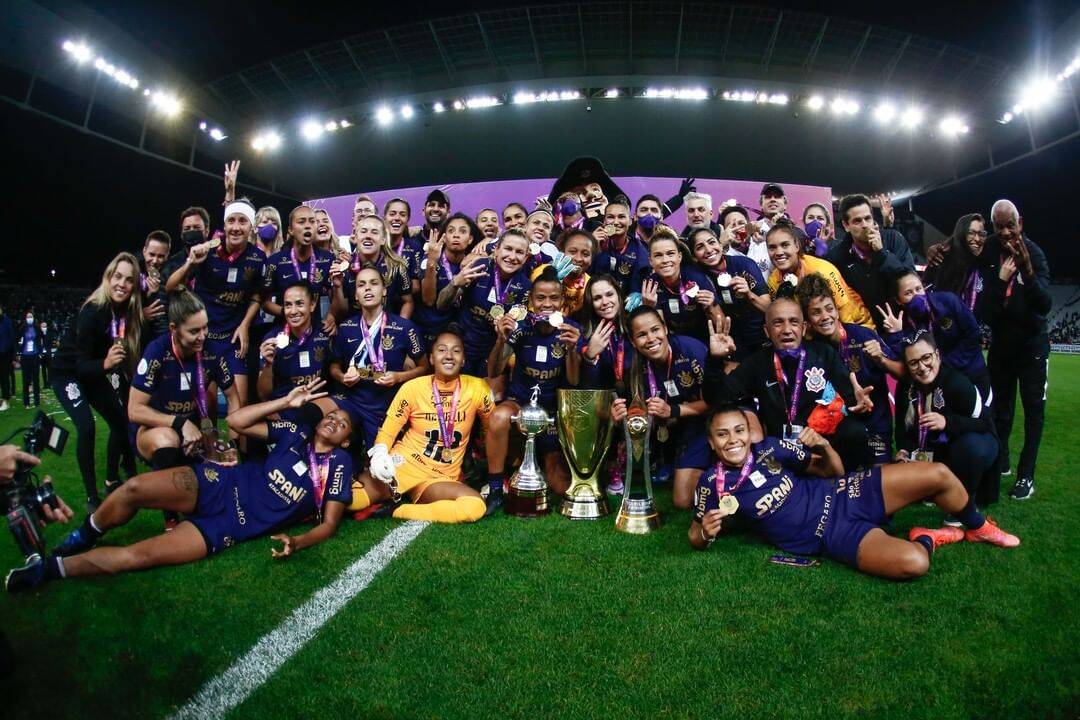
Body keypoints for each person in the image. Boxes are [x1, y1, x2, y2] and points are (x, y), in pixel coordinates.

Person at [6, 380, 354, 592]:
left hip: (230, 526)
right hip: (219, 483)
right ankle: (85, 533)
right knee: (134, 488)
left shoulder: (339, 464)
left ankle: (46, 570)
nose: (334, 420)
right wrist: (284, 403)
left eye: (342, 424)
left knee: (137, 556)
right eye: (331, 415)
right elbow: (235, 420)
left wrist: (299, 541)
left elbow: (330, 524)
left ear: (345, 443)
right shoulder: (295, 434)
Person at [687, 405, 1019, 580]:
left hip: (845, 491)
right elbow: (695, 536)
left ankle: (977, 528)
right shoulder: (710, 486)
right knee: (915, 563)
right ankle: (926, 537)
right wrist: (704, 532)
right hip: (831, 533)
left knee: (939, 474)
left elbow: (832, 471)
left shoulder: (771, 448)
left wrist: (826, 446)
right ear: (713, 442)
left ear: (749, 432)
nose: (733, 440)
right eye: (722, 434)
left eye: (739, 430)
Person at [705, 292, 875, 471]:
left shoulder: (823, 354)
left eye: (793, 322)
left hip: (822, 439)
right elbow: (717, 397)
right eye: (778, 323)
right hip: (783, 448)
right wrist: (714, 360)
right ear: (767, 331)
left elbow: (854, 404)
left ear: (803, 328)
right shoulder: (757, 363)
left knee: (854, 432)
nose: (787, 329)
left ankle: (851, 481)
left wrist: (859, 403)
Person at [360, 331, 492, 524]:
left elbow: (492, 431)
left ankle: (397, 510)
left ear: (463, 359)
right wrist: (380, 453)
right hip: (403, 464)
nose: (448, 355)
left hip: (439, 477)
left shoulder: (478, 388)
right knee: (352, 499)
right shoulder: (413, 387)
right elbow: (389, 429)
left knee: (474, 506)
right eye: (441, 350)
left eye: (456, 351)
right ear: (431, 358)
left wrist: (494, 472)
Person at [50, 253, 143, 511]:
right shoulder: (93, 311)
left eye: (129, 279)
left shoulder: (125, 311)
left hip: (95, 372)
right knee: (87, 427)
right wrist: (106, 364)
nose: (122, 284)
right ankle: (92, 497)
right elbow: (81, 365)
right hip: (69, 373)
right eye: (118, 277)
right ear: (108, 278)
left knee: (120, 420)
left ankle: (119, 477)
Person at [485, 267, 581, 513]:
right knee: (498, 416)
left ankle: (534, 468)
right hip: (520, 403)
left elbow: (573, 380)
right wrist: (500, 340)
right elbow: (494, 371)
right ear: (531, 301)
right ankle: (496, 490)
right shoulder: (520, 328)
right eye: (540, 298)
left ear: (562, 301)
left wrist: (572, 350)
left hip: (551, 412)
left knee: (560, 486)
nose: (546, 304)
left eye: (553, 298)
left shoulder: (570, 330)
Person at [128, 289, 240, 490]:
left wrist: (233, 443)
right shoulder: (157, 351)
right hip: (154, 431)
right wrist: (180, 423)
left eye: (205, 328)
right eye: (194, 331)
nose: (202, 336)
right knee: (167, 439)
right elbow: (134, 410)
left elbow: (233, 397)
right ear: (174, 328)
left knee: (218, 472)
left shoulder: (212, 351)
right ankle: (170, 517)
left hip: (195, 431)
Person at [983, 199, 1052, 500]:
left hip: (1032, 347)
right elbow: (985, 310)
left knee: (1033, 412)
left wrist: (1028, 272)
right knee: (1000, 410)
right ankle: (1003, 463)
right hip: (1001, 347)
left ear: (1020, 223)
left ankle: (1026, 476)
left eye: (1010, 225)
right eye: (999, 227)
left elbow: (1045, 305)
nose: (1006, 232)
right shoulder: (989, 250)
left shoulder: (1034, 254)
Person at [167, 200, 266, 405]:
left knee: (239, 405)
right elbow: (170, 287)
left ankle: (236, 440)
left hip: (233, 341)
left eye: (242, 221)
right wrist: (190, 263)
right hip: (205, 339)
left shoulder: (258, 257)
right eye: (231, 221)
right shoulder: (207, 250)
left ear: (251, 226)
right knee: (207, 403)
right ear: (225, 224)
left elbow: (257, 296)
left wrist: (245, 325)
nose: (236, 227)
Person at [796, 273, 902, 464]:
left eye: (829, 309)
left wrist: (882, 360)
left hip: (875, 425)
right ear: (808, 320)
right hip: (838, 431)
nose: (825, 317)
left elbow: (903, 373)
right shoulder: (810, 350)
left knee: (877, 482)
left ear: (837, 309)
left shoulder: (863, 336)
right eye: (816, 312)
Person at [610, 306, 709, 509]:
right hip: (682, 430)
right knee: (683, 501)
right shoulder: (636, 370)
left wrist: (672, 410)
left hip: (711, 423)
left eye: (655, 329)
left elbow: (717, 401)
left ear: (665, 328)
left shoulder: (691, 350)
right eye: (642, 335)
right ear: (633, 342)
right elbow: (642, 416)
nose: (651, 338)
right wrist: (622, 419)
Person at [321, 267, 428, 448]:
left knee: (378, 465)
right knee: (311, 412)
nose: (368, 289)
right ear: (356, 295)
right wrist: (341, 376)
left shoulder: (404, 327)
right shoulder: (346, 326)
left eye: (374, 283)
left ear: (384, 290)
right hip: (351, 400)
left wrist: (398, 377)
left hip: (385, 405)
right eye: (361, 285)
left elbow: (425, 368)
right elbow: (334, 366)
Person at [898, 332, 999, 510]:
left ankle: (966, 502)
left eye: (926, 358)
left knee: (970, 447)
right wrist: (904, 450)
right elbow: (901, 426)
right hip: (933, 453)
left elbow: (986, 423)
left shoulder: (956, 382)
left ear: (937, 355)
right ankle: (934, 489)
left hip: (975, 444)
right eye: (913, 363)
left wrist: (947, 422)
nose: (922, 367)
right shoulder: (905, 387)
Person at [440, 228, 531, 378]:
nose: (512, 256)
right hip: (461, 345)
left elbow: (510, 339)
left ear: (526, 257)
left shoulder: (526, 286)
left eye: (519, 252)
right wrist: (455, 283)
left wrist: (503, 338)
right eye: (508, 249)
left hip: (490, 351)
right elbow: (441, 304)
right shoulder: (479, 266)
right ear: (496, 250)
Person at [879, 270, 988, 393]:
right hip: (936, 385)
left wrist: (943, 365)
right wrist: (896, 334)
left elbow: (972, 334)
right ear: (898, 300)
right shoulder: (900, 322)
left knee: (981, 411)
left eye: (918, 289)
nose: (916, 296)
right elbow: (905, 363)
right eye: (908, 293)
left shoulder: (948, 301)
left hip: (970, 372)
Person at [825, 194, 915, 334]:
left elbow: (909, 283)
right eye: (857, 221)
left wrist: (882, 254)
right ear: (846, 225)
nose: (865, 225)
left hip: (904, 324)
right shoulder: (837, 257)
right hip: (866, 331)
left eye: (868, 218)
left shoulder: (893, 239)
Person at [766, 223, 873, 329]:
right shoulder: (773, 280)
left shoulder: (822, 270)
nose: (779, 252)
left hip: (858, 327)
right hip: (817, 331)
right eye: (772, 248)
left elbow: (846, 315)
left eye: (785, 245)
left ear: (797, 246)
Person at [689, 226, 769, 360]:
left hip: (761, 338)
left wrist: (749, 294)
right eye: (700, 247)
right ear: (694, 256)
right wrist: (711, 305)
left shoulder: (744, 264)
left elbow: (768, 308)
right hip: (729, 343)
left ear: (720, 244)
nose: (709, 250)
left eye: (712, 242)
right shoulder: (697, 278)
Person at [633, 226, 720, 345]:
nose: (665, 260)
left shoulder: (697, 278)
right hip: (674, 344)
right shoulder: (650, 285)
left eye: (670, 254)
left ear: (679, 257)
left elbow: (723, 325)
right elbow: (661, 336)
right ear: (650, 261)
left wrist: (712, 306)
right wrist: (650, 309)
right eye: (658, 255)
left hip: (706, 341)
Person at [263, 205, 343, 332]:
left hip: (316, 331)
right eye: (301, 222)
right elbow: (264, 302)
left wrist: (332, 315)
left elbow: (336, 300)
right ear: (290, 230)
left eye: (312, 221)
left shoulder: (328, 259)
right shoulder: (275, 262)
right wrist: (288, 312)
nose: (307, 226)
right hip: (284, 331)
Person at [256, 283, 333, 413]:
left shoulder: (325, 334)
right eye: (288, 305)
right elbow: (263, 394)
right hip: (284, 407)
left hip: (316, 407)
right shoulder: (272, 339)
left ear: (312, 305)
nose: (293, 311)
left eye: (299, 304)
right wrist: (268, 365)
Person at [414, 214, 475, 346]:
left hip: (452, 333)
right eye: (451, 231)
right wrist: (432, 262)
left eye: (462, 231)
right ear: (445, 237)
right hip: (423, 328)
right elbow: (428, 301)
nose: (456, 235)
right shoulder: (429, 258)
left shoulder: (472, 263)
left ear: (470, 239)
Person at [924, 214, 994, 324]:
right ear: (961, 234)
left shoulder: (984, 265)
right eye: (971, 233)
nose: (977, 239)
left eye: (981, 234)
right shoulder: (941, 260)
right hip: (945, 332)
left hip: (974, 334)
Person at [341, 214, 413, 317]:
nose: (368, 236)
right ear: (356, 237)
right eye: (363, 231)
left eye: (374, 232)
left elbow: (408, 302)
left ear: (383, 239)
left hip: (388, 328)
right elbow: (341, 311)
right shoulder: (344, 266)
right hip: (355, 330)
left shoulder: (396, 267)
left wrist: (400, 328)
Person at [594, 199, 651, 293]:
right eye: (610, 217)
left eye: (621, 217)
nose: (616, 222)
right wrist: (592, 246)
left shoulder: (640, 250)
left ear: (630, 221)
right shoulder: (595, 241)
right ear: (604, 221)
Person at [533, 229, 594, 315]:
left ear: (591, 259)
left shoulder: (590, 285)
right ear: (562, 252)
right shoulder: (541, 273)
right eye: (572, 252)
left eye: (585, 254)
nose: (578, 258)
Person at [719, 203, 770, 276]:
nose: (737, 229)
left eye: (741, 223)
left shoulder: (764, 243)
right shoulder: (724, 257)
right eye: (731, 225)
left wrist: (764, 230)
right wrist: (721, 244)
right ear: (724, 231)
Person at [139, 230, 171, 342]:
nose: (155, 261)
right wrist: (140, 315)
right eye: (151, 254)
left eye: (161, 256)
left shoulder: (170, 274)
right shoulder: (132, 270)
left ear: (167, 256)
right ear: (144, 251)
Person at [18, 310, 41, 408]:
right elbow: (19, 340)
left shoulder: (36, 328)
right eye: (28, 317)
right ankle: (26, 402)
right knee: (25, 380)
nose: (29, 318)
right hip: (25, 356)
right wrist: (18, 352)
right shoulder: (22, 328)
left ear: (33, 318)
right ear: (25, 318)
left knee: (36, 380)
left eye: (31, 316)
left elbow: (41, 339)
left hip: (35, 355)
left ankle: (37, 402)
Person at [0, 304, 14, 410]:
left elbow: (11, 338)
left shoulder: (7, 322)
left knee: (4, 377)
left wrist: (9, 353)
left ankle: (6, 400)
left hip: (5, 355)